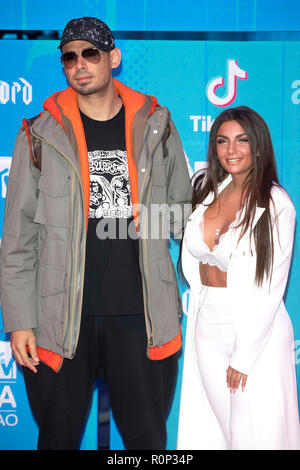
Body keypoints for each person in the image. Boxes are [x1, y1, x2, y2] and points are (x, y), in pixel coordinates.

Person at [0, 17, 192, 450]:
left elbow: (186, 215)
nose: (80, 64)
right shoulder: (38, 134)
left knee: (147, 445)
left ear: (114, 58)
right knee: (57, 440)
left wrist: (154, 217)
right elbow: (16, 239)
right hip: (60, 320)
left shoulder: (156, 125)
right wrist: (19, 322)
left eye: (91, 53)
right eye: (69, 57)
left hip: (140, 317)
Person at [177, 106, 300, 450]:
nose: (231, 150)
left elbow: (271, 285)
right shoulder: (206, 192)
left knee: (257, 436)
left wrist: (244, 356)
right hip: (206, 325)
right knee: (222, 434)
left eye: (242, 140)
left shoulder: (276, 202)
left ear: (258, 146)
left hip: (252, 332)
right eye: (222, 141)